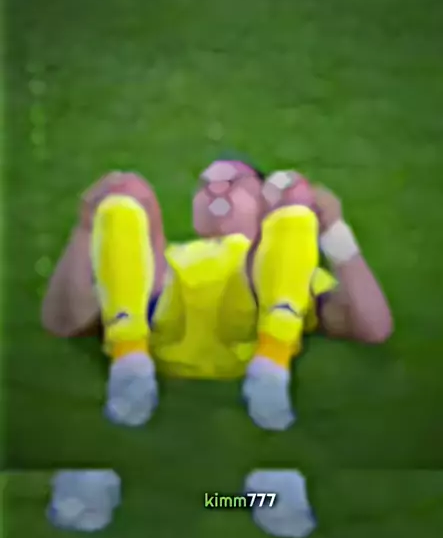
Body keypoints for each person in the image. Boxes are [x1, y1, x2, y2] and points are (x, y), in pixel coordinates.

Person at [42, 157, 393, 430]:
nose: (216, 191)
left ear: (265, 206)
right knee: (126, 189)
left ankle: (273, 359)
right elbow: (63, 323)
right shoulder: (146, 265)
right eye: (205, 186)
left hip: (256, 306)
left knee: (293, 187)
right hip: (157, 306)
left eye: (234, 183)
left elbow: (373, 327)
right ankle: (128, 356)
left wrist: (334, 231)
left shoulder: (290, 266)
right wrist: (86, 226)